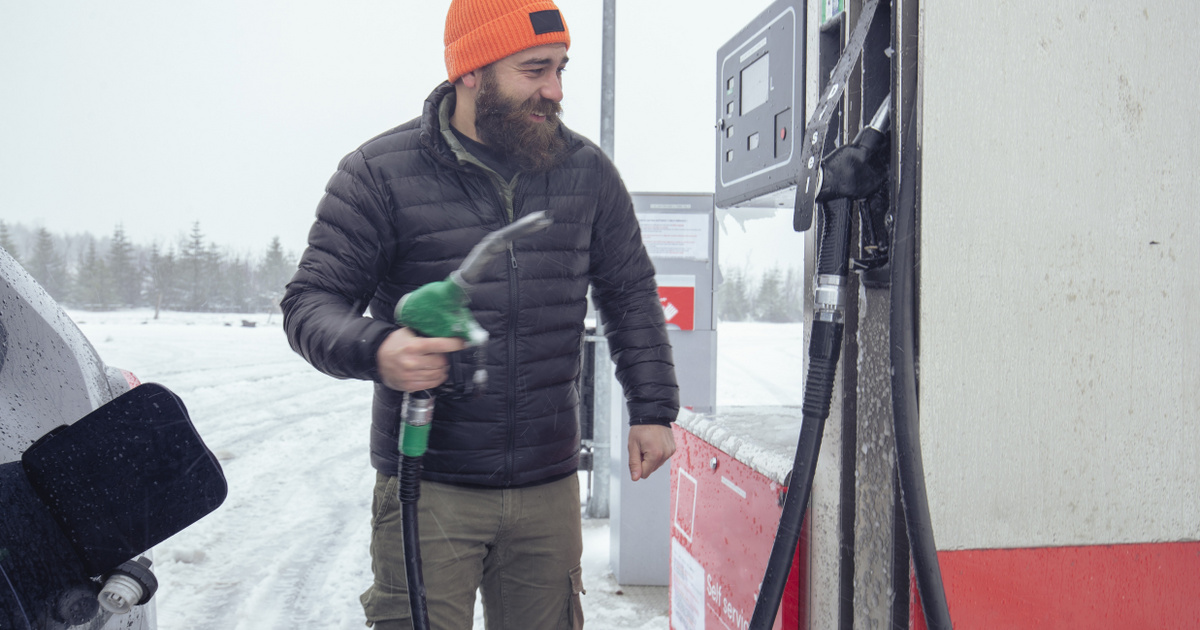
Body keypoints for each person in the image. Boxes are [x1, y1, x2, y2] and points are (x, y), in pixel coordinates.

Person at [280, 1, 680, 628]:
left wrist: (653, 407)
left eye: (561, 69)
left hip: (547, 486)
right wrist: (380, 348)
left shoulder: (587, 172)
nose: (555, 90)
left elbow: (628, 291)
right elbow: (309, 304)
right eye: (534, 69)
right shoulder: (379, 174)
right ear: (471, 71)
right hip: (429, 485)